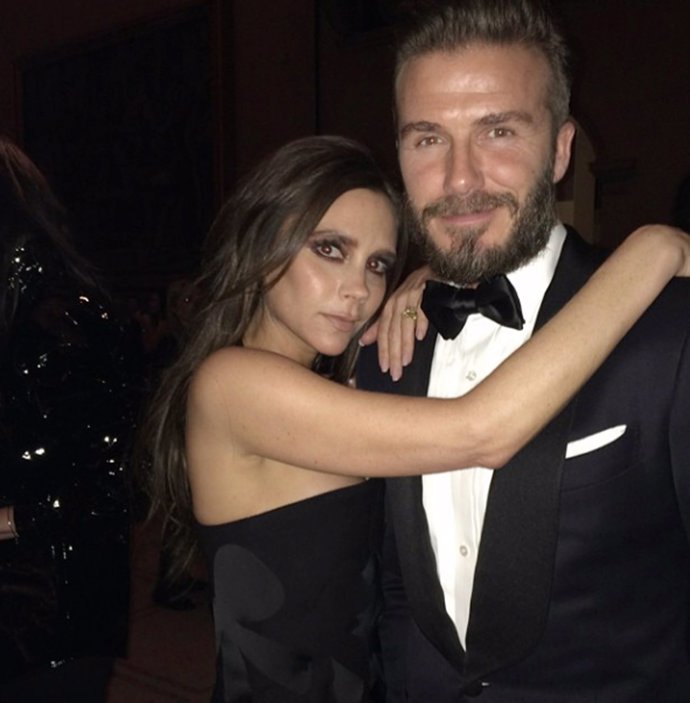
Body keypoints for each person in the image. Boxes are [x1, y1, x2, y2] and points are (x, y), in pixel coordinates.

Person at [139, 132, 690, 703]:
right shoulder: (231, 384)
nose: (358, 290)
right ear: (262, 244)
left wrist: (426, 278)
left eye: (378, 263)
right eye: (330, 250)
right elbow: (481, 431)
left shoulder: (335, 390)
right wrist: (652, 251)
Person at [356, 1, 690, 700]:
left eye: (498, 131)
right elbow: (393, 587)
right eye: (427, 139)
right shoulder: (384, 351)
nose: (459, 179)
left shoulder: (669, 331)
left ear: (562, 150)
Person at [0, 137, 134, 701]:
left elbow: (115, 483)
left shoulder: (62, 318)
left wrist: (10, 520)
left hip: (53, 613)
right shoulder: (21, 308)